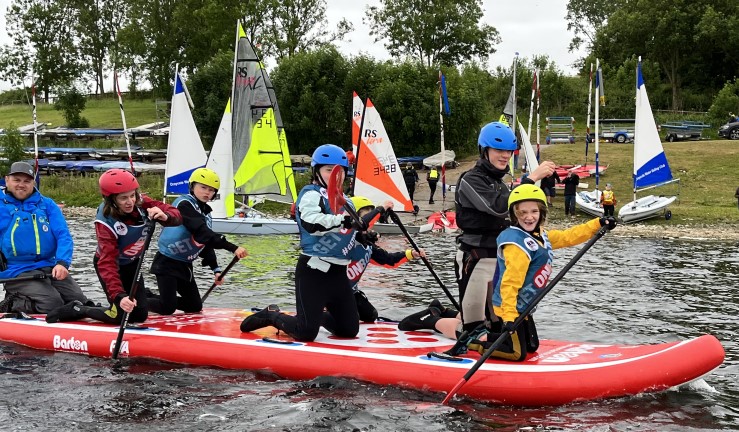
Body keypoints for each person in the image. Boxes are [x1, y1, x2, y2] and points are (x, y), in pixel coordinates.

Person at [399, 122, 555, 344]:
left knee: (498, 327)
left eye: (508, 152)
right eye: (498, 150)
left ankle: (449, 312)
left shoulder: (500, 184)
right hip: (476, 257)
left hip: (499, 260)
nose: (504, 156)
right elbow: (499, 208)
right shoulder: (470, 179)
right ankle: (431, 319)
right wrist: (530, 178)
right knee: (472, 334)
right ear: (485, 151)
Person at [465, 184, 616, 361]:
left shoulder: (540, 235)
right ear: (514, 214)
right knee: (517, 354)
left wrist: (598, 224)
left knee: (532, 346)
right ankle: (474, 343)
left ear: (541, 212)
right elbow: (509, 283)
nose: (529, 217)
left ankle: (492, 337)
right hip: (510, 306)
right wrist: (509, 318)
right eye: (523, 213)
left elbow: (568, 236)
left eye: (534, 211)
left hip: (524, 307)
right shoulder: (516, 245)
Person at [240, 144, 365, 342]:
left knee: (349, 330)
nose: (335, 175)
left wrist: (363, 237)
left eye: (339, 171)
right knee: (305, 333)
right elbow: (311, 224)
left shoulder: (346, 201)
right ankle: (272, 314)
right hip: (314, 271)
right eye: (329, 170)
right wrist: (342, 220)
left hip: (338, 273)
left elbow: (347, 232)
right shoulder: (310, 194)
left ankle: (314, 318)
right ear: (316, 171)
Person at [149, 168, 248, 315]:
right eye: (203, 187)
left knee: (195, 306)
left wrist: (216, 270)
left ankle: (149, 297)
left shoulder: (205, 214)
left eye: (211, 190)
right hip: (166, 263)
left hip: (185, 266)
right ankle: (141, 298)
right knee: (167, 308)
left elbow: (205, 242)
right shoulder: (184, 205)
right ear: (192, 186)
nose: (207, 192)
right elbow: (202, 231)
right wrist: (232, 247)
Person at [0, 161, 89, 314]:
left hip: (49, 266)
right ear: (7, 180)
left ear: (33, 182)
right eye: (17, 180)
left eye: (27, 181)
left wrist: (62, 262)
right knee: (52, 303)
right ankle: (11, 305)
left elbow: (63, 235)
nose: (22, 184)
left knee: (77, 299)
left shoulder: (47, 204)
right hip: (16, 270)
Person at [347, 196, 426, 322]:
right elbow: (359, 225)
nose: (369, 226)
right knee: (349, 320)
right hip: (333, 291)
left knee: (371, 315)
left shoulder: (368, 246)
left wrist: (411, 253)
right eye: (365, 217)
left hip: (351, 292)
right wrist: (381, 209)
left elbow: (389, 260)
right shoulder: (344, 240)